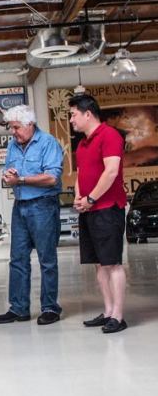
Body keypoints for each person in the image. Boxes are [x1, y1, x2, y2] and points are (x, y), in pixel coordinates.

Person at [0, 105, 64, 326]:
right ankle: (19, 308)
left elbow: (52, 178)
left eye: (16, 127)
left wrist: (21, 179)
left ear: (30, 124)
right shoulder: (12, 146)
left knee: (47, 260)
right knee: (18, 260)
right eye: (11, 128)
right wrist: (9, 175)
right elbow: (8, 172)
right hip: (20, 207)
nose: (13, 132)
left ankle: (50, 308)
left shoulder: (48, 143)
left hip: (43, 206)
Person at [69, 94, 128, 334]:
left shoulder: (110, 135)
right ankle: (108, 311)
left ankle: (119, 315)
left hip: (107, 209)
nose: (71, 120)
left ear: (87, 114)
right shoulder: (82, 143)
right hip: (89, 210)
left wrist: (91, 199)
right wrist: (78, 197)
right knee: (98, 264)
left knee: (111, 262)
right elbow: (81, 175)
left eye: (73, 114)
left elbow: (111, 171)